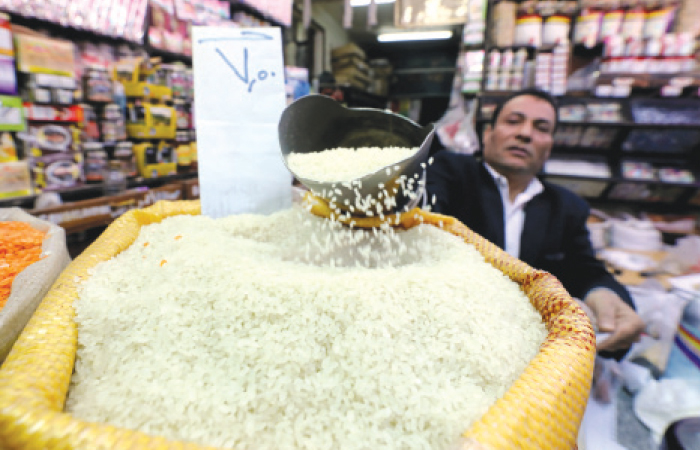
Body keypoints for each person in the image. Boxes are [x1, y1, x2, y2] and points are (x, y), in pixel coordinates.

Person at [426, 88, 644, 356]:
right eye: (513, 121)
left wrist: (604, 294)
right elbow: (427, 219)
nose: (525, 133)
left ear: (549, 145)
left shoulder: (566, 207)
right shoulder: (451, 174)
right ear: (487, 134)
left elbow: (585, 269)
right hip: (450, 336)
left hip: (529, 350)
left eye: (541, 128)